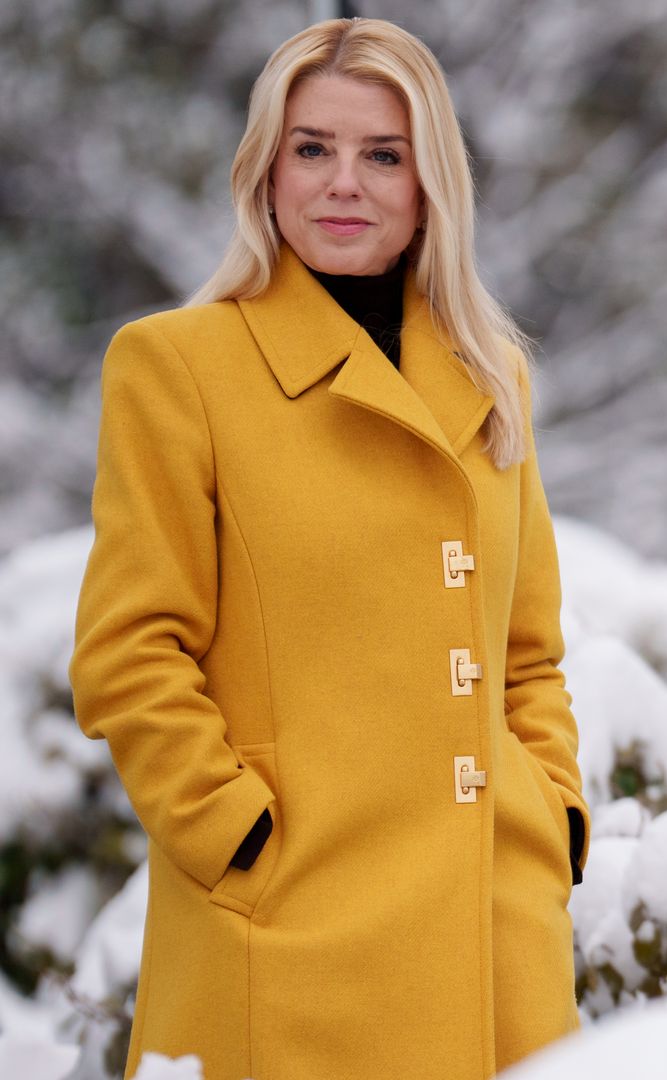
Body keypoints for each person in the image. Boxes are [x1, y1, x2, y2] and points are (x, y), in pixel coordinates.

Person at [68, 17, 590, 1080]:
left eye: (382, 155)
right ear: (265, 173)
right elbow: (130, 653)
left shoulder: (493, 380)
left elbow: (528, 653)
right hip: (288, 941)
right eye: (312, 148)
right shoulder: (177, 366)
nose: (343, 182)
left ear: (429, 183)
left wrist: (552, 818)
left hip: (494, 939)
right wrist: (239, 841)